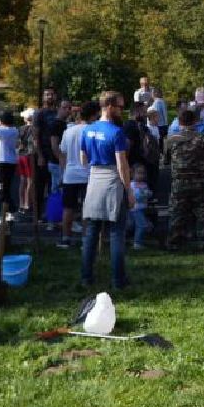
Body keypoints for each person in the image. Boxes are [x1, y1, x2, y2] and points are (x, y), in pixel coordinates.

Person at [80, 91, 132, 289]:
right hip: (112, 181)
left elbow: (83, 158)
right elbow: (122, 165)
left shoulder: (87, 130)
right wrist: (129, 190)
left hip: (94, 179)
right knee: (117, 233)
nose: (122, 110)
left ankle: (86, 278)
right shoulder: (116, 132)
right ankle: (118, 280)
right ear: (109, 106)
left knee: (91, 232)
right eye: (119, 106)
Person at [165, 107, 204, 248]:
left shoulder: (172, 140)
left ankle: (174, 242)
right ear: (195, 121)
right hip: (202, 181)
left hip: (180, 181)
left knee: (177, 212)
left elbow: (166, 161)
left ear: (179, 122)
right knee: (203, 213)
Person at [58, 102, 92, 249]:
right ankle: (85, 239)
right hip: (87, 173)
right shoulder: (91, 130)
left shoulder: (68, 132)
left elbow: (62, 153)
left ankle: (66, 238)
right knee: (87, 208)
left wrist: (65, 169)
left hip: (70, 174)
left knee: (68, 208)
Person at [128, 167, 153, 249]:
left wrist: (148, 193)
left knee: (143, 225)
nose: (141, 175)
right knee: (142, 225)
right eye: (139, 173)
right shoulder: (131, 185)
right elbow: (135, 196)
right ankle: (137, 243)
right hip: (135, 209)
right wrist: (143, 193)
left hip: (142, 209)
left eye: (143, 173)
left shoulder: (144, 185)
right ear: (133, 174)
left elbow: (149, 194)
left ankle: (138, 240)